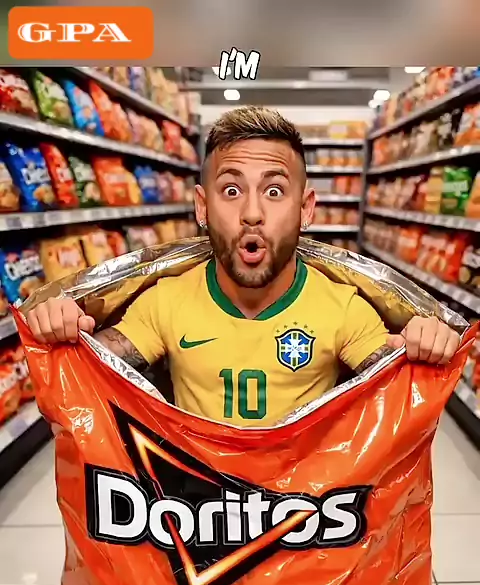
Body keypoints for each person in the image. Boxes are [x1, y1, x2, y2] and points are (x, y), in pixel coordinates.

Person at [25, 106, 461, 426]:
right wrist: (61, 327)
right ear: (202, 206)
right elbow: (88, 366)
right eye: (231, 191)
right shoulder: (166, 301)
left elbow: (397, 375)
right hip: (197, 509)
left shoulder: (343, 308)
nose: (252, 213)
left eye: (274, 191)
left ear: (306, 209)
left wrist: (426, 343)